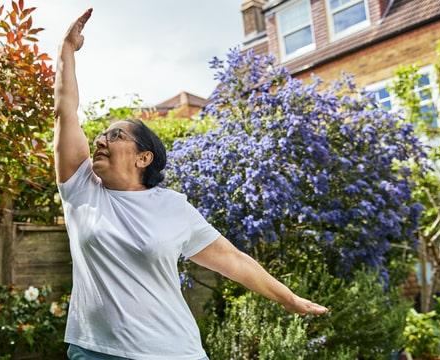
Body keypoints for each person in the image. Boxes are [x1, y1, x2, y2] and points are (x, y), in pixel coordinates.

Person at [54, 9, 329, 360]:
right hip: (95, 351)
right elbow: (66, 110)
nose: (102, 140)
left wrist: (288, 299)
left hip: (172, 351)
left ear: (143, 158)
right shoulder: (81, 189)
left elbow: (233, 260)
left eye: (116, 135)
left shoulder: (173, 207)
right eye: (102, 134)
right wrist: (66, 50)